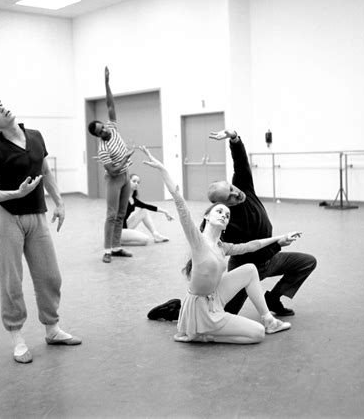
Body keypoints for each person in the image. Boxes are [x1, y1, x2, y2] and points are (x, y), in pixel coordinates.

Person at [147, 129, 317, 321]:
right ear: (223, 205)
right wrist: (278, 243)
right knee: (224, 314)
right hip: (247, 266)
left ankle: (273, 298)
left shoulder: (243, 187)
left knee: (307, 262)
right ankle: (178, 309)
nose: (236, 194)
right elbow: (253, 249)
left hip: (270, 260)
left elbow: (241, 162)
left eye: (232, 189)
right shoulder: (227, 222)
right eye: (230, 197)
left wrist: (234, 138)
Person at [0, 95, 81, 364]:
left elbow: (45, 170)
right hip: (8, 219)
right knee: (12, 282)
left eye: (0, 104)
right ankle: (17, 337)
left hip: (38, 216)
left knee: (50, 276)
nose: (3, 109)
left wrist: (59, 201)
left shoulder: (34, 135)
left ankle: (52, 329)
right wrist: (14, 193)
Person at [88, 66, 134, 263]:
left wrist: (107, 83)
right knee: (112, 214)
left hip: (125, 177)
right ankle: (107, 251)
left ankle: (117, 247)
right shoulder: (102, 149)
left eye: (103, 127)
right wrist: (125, 158)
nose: (104, 131)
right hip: (114, 179)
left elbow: (110, 104)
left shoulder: (113, 128)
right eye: (100, 131)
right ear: (97, 136)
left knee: (122, 214)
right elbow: (112, 170)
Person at [121, 173, 174, 246]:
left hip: (125, 227)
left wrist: (165, 212)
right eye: (134, 181)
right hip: (118, 231)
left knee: (144, 211)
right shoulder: (121, 197)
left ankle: (156, 235)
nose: (136, 183)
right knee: (145, 239)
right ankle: (118, 242)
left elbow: (148, 206)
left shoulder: (133, 199)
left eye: (138, 182)